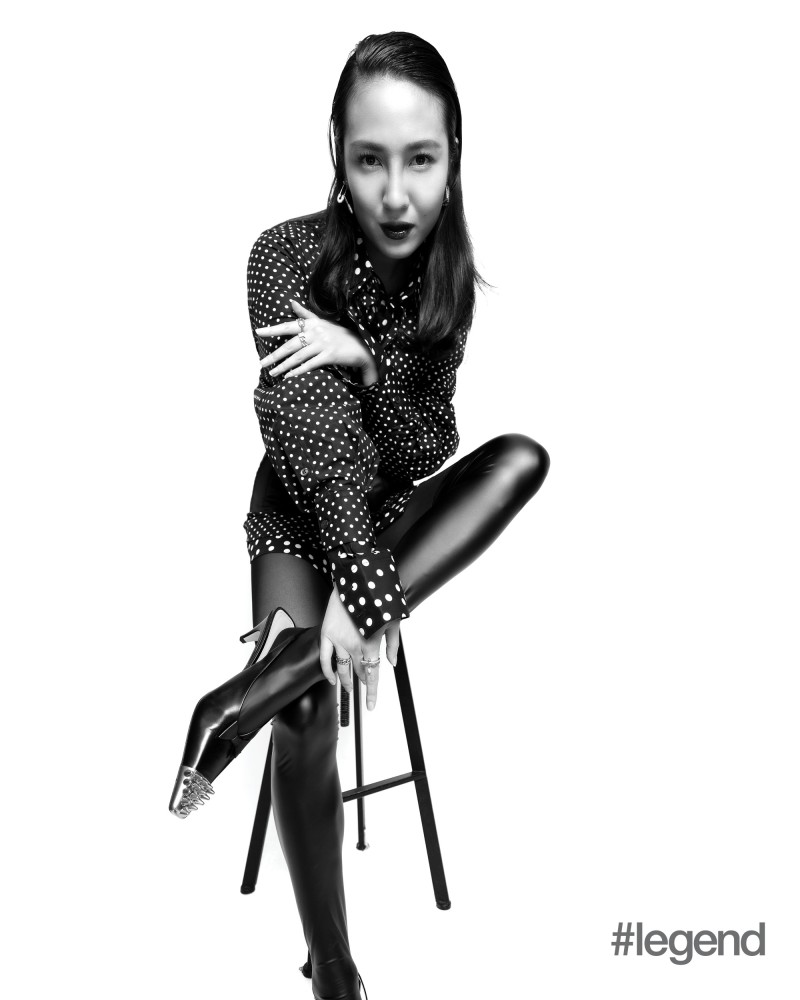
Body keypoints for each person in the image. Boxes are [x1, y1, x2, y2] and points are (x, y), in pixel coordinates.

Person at [169, 30, 550, 1000]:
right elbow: (310, 432)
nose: (395, 194)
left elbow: (425, 449)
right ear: (335, 150)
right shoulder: (282, 257)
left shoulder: (446, 283)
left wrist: (368, 360)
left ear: (453, 156)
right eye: (370, 159)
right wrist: (362, 582)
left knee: (518, 458)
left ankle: (240, 697)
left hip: (394, 525)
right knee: (308, 708)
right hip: (300, 521)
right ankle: (331, 963)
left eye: (420, 160)